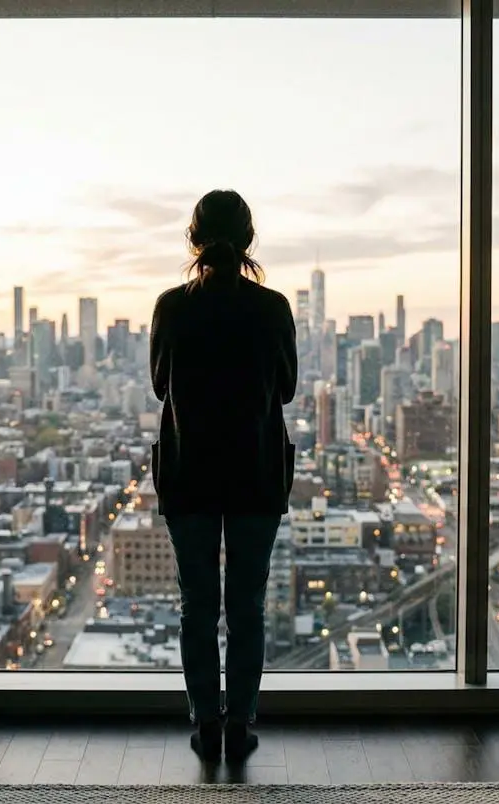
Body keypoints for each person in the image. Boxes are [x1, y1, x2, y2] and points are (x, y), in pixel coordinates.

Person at [149, 189, 298, 762]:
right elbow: (286, 388)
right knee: (246, 608)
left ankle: (206, 726)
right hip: (255, 473)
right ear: (249, 239)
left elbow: (160, 385)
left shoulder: (171, 306)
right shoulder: (272, 308)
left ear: (193, 239)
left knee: (197, 607)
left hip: (189, 471)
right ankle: (239, 725)